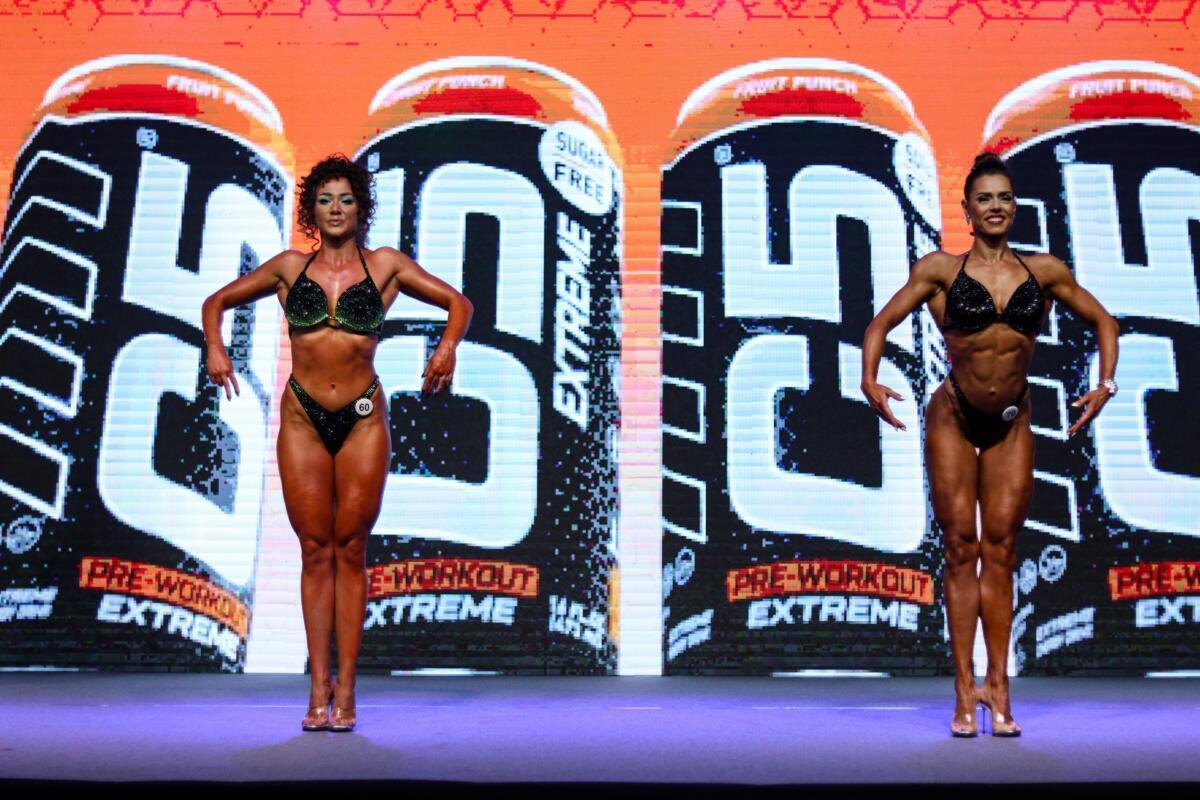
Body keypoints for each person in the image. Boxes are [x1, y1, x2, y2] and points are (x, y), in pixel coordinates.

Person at [202, 155, 473, 732]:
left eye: (345, 199)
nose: (335, 209)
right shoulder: (288, 268)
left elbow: (459, 304)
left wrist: (447, 347)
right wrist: (215, 347)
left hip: (363, 416)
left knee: (350, 548)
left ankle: (346, 689)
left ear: (360, 208)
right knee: (314, 549)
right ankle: (316, 685)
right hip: (303, 416)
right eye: (325, 199)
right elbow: (215, 303)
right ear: (311, 209)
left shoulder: (386, 266)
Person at [861, 152, 1118, 737]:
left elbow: (1106, 322)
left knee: (1000, 551)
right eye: (985, 198)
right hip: (953, 416)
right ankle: (963, 688)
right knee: (961, 549)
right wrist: (869, 379)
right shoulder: (940, 271)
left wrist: (1105, 385)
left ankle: (998, 687)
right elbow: (878, 325)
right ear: (968, 211)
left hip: (1011, 420)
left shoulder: (1044, 271)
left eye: (1004, 197)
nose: (996, 206)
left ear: (1014, 207)